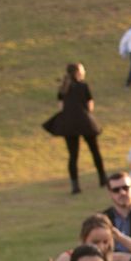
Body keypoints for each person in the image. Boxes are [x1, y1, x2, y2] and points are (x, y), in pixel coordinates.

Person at [47, 62, 105, 195]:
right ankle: (102, 179)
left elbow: (61, 107)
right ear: (78, 72)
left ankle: (75, 186)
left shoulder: (63, 88)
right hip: (84, 122)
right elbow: (90, 106)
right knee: (94, 150)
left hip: (69, 124)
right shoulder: (83, 86)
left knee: (73, 155)